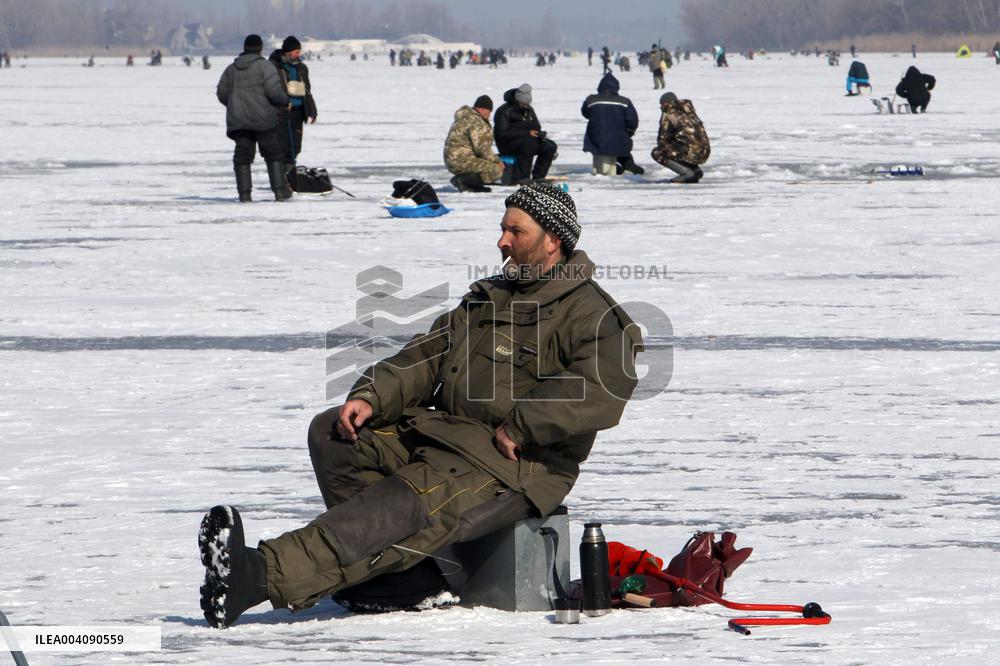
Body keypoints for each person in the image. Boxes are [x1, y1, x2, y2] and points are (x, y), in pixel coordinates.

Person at [197, 183, 642, 628]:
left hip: (516, 464)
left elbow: (599, 388)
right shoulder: (489, 297)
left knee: (407, 501)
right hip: (447, 435)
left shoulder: (593, 316)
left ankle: (257, 575)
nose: (502, 241)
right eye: (502, 229)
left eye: (516, 232)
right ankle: (398, 582)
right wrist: (372, 395)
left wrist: (522, 427)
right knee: (334, 433)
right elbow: (426, 356)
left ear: (553, 241)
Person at [216, 34, 291, 202]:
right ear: (260, 48)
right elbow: (274, 93)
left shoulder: (231, 69)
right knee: (273, 155)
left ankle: (244, 195)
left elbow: (222, 94)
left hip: (239, 122)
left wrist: (235, 105)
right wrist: (285, 102)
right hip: (264, 120)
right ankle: (280, 193)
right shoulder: (265, 67)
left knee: (242, 157)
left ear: (244, 48)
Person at [269, 36, 318, 169]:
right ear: (288, 52)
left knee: (295, 147)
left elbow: (307, 90)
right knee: (282, 147)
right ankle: (283, 177)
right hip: (281, 112)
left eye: (299, 51)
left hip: (298, 112)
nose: (299, 54)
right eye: (296, 52)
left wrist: (312, 109)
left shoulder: (302, 68)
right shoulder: (274, 66)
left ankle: (289, 173)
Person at [494, 84, 558, 183]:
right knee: (528, 145)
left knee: (550, 146)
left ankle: (539, 177)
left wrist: (539, 134)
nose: (526, 105)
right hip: (507, 144)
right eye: (523, 103)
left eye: (528, 103)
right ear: (517, 101)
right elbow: (502, 134)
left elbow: (536, 126)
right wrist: (527, 133)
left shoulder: (529, 110)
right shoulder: (504, 111)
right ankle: (522, 177)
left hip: (527, 140)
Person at [581, 72, 643, 175]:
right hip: (619, 137)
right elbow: (632, 120)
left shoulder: (591, 100)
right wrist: (630, 132)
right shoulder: (624, 101)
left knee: (604, 146)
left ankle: (619, 167)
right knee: (619, 144)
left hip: (596, 137)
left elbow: (585, 113)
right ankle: (629, 165)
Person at [444, 95, 504, 192]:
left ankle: (471, 185)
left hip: (453, 160)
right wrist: (497, 161)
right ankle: (463, 181)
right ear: (484, 109)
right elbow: (481, 148)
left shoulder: (464, 117)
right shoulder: (476, 121)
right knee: (496, 170)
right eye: (489, 112)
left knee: (486, 165)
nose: (489, 115)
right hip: (461, 160)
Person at [651, 92, 710, 184]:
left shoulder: (669, 113)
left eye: (662, 104)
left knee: (658, 152)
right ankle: (695, 170)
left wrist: (662, 147)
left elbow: (663, 137)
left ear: (666, 103)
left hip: (689, 150)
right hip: (704, 150)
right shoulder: (689, 111)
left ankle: (687, 173)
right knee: (681, 146)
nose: (661, 107)